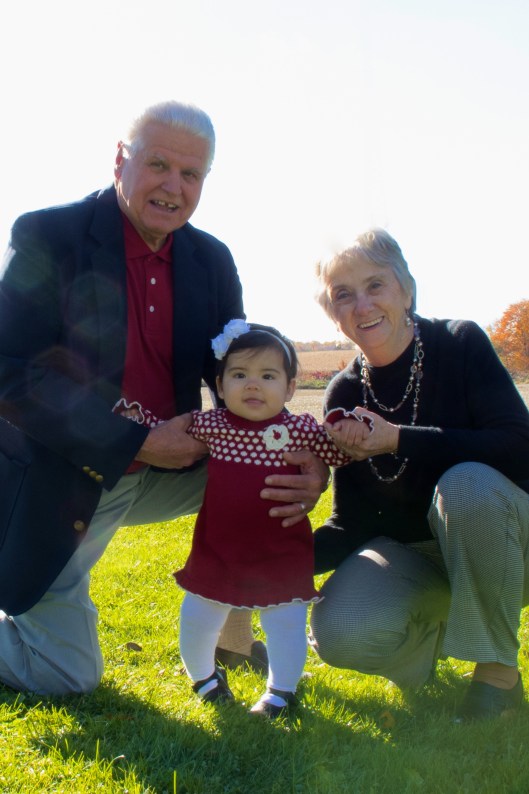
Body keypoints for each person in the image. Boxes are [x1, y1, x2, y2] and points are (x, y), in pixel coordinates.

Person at [0, 101, 326, 696]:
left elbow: (242, 376)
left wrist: (296, 456)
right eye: (158, 165)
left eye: (191, 175)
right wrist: (137, 439)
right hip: (62, 474)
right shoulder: (48, 235)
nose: (173, 188)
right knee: (65, 676)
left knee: (262, 475)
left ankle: (234, 631)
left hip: (167, 467)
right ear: (121, 159)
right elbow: (11, 375)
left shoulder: (210, 260)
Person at [309, 228, 529, 720]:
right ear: (333, 312)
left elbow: (519, 448)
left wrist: (398, 438)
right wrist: (268, 564)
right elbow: (354, 522)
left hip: (513, 537)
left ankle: (497, 676)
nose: (362, 304)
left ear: (405, 289)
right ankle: (430, 644)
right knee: (340, 627)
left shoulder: (460, 343)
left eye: (375, 285)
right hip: (420, 559)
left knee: (466, 482)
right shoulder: (345, 393)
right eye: (343, 294)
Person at [152, 320, 365, 718]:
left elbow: (339, 452)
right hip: (218, 549)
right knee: (197, 618)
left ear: (289, 388)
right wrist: (136, 421)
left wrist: (350, 433)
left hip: (280, 551)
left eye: (267, 376)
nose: (253, 385)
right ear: (219, 385)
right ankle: (204, 679)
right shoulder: (212, 425)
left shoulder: (300, 430)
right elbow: (167, 434)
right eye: (239, 375)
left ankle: (281, 692)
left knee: (284, 623)